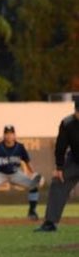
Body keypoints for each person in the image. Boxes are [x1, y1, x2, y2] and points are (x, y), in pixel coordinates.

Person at [0, 125, 41, 221]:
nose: (9, 136)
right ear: (4, 135)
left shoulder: (20, 147)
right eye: (7, 134)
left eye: (11, 133)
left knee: (33, 186)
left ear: (14, 135)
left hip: (15, 173)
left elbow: (27, 161)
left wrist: (33, 173)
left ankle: (32, 211)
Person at [36, 97, 79, 232]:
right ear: (75, 111)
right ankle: (50, 222)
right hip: (75, 160)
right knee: (58, 182)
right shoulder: (67, 123)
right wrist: (59, 167)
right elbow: (61, 146)